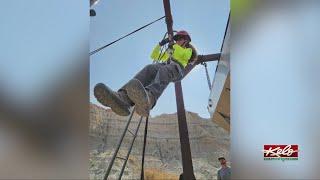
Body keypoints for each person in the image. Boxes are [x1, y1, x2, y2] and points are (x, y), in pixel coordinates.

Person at [94, 30, 197, 117]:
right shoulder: (173, 49)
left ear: (186, 40)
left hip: (177, 68)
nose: (177, 41)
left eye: (180, 39)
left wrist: (173, 46)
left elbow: (183, 55)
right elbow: (155, 56)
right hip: (166, 65)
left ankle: (150, 98)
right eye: (177, 39)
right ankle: (124, 98)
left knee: (165, 70)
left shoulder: (188, 50)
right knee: (149, 68)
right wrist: (160, 44)